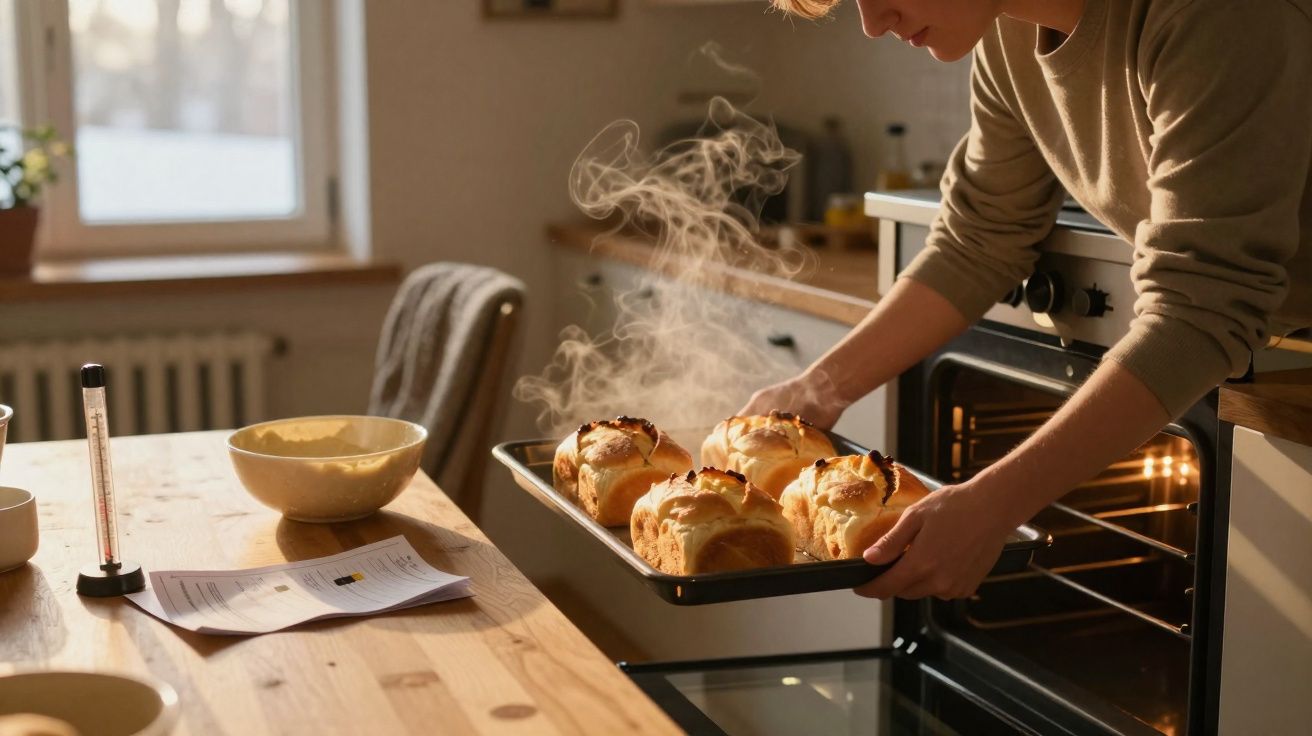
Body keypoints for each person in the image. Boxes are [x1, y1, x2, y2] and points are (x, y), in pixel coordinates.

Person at [748, 0, 1311, 600]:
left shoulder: (1216, 16)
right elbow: (979, 240)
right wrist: (811, 392)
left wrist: (992, 507)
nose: (871, 21)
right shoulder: (1007, 37)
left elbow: (1201, 309)